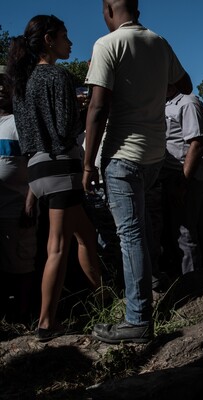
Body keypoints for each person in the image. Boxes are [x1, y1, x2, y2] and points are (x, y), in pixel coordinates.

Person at [83, 0, 192, 344]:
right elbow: (185, 84)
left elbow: (98, 106)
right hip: (154, 154)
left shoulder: (108, 44)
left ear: (108, 10)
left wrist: (87, 162)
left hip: (122, 154)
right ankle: (144, 304)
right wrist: (154, 92)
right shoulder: (158, 42)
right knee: (141, 232)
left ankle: (137, 319)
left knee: (130, 237)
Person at [6, 15, 102, 341]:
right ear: (49, 40)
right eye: (65, 36)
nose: (70, 42)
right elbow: (64, 129)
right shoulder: (56, 76)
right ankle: (46, 322)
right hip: (60, 166)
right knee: (58, 246)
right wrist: (85, 110)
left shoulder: (22, 80)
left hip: (37, 169)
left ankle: (102, 300)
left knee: (85, 236)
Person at [154, 85, 203, 278]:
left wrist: (183, 183)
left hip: (183, 175)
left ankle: (193, 283)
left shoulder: (188, 102)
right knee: (173, 232)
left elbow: (197, 143)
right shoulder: (165, 102)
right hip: (168, 175)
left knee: (185, 232)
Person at [0, 65, 36, 324]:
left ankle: (22, 318)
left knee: (22, 268)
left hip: (17, 211)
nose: (1, 87)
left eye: (5, 82)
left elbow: (36, 164)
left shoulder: (20, 123)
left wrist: (29, 204)